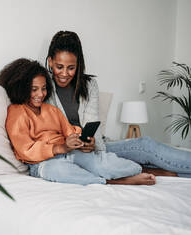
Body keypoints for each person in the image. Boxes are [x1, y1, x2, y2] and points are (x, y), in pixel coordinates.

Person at [45, 30, 191, 177]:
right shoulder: (42, 89)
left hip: (98, 148)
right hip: (69, 152)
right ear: (50, 61)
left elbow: (92, 122)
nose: (64, 74)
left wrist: (93, 143)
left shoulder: (90, 85)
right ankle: (155, 171)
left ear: (78, 64)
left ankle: (164, 170)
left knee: (145, 145)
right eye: (59, 67)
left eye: (71, 68)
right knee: (144, 161)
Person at [0, 58, 156, 185]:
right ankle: (115, 181)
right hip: (42, 163)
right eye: (34, 89)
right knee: (58, 171)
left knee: (102, 163)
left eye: (44, 88)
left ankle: (137, 170)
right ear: (20, 88)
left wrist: (83, 140)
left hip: (69, 152)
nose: (40, 94)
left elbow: (70, 131)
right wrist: (59, 148)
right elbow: (25, 149)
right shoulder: (16, 112)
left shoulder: (51, 109)